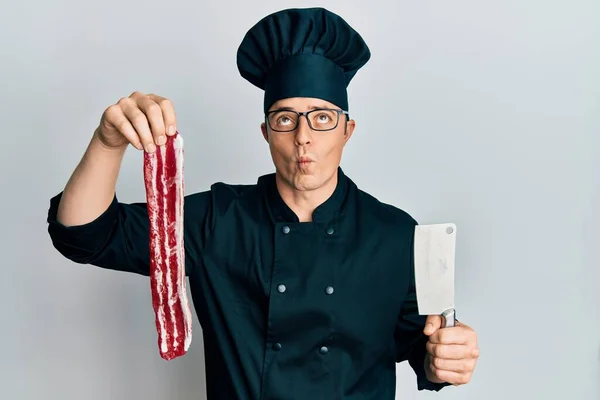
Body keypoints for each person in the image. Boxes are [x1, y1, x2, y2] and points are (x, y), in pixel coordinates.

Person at [46, 7, 479, 400]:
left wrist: (444, 356)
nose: (303, 137)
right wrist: (107, 142)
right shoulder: (216, 219)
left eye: (322, 117)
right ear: (266, 132)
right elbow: (83, 235)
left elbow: (421, 346)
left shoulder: (396, 234)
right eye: (285, 118)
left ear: (348, 130)